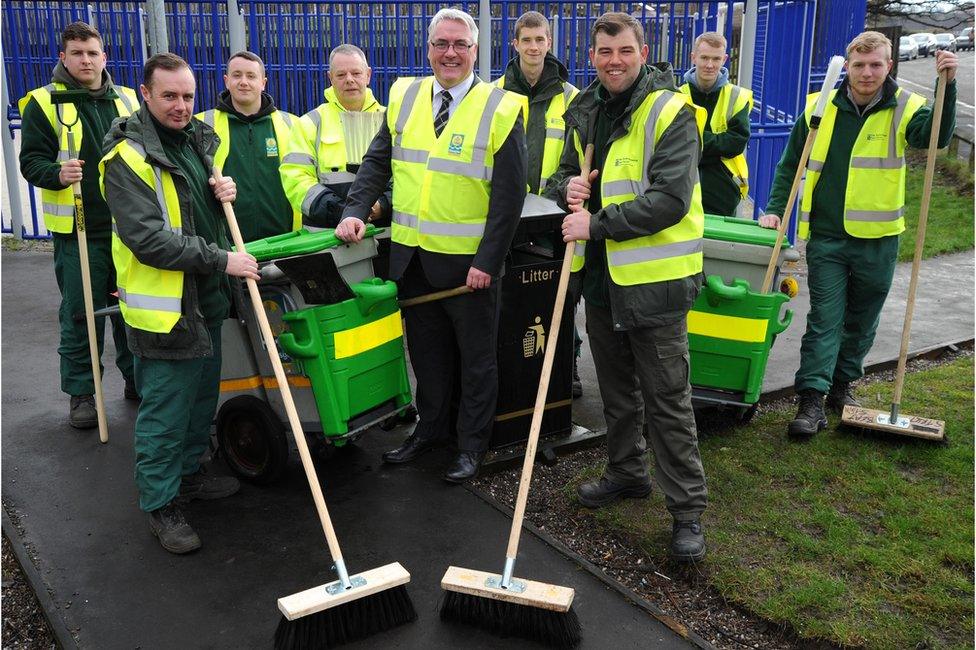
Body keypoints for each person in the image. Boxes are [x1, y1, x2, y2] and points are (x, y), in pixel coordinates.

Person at [335, 8, 526, 483]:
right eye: (441, 44)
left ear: (475, 51)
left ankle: (471, 446)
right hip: (412, 260)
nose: (450, 53)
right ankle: (430, 432)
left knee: (477, 362)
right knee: (428, 357)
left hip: (469, 270)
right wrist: (355, 211)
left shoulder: (500, 107)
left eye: (460, 45)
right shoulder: (405, 96)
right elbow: (377, 162)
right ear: (428, 49)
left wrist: (488, 261)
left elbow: (509, 198)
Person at [544, 12, 708, 562]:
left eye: (624, 51)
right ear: (592, 55)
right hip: (603, 279)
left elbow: (670, 199)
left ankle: (687, 511)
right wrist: (561, 184)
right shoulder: (584, 110)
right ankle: (626, 473)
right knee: (617, 393)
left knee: (666, 400)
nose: (614, 61)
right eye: (604, 52)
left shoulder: (671, 111)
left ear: (643, 53)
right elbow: (559, 176)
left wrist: (598, 223)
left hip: (656, 284)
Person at [758, 32, 957, 438]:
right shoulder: (820, 106)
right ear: (847, 66)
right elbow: (791, 163)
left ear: (889, 67)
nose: (867, 73)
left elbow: (934, 137)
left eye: (876, 65)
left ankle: (843, 387)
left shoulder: (905, 107)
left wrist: (946, 88)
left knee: (862, 321)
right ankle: (811, 399)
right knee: (824, 320)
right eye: (859, 65)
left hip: (880, 240)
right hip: (828, 238)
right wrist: (777, 209)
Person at [101, 53, 261, 554]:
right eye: (168, 95)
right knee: (164, 416)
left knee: (198, 406)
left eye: (188, 96)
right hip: (164, 314)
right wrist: (222, 261)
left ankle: (190, 477)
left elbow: (194, 214)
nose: (180, 105)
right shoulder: (127, 159)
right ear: (145, 95)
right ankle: (161, 505)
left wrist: (221, 195)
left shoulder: (195, 142)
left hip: (204, 306)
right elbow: (149, 239)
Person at [18, 22, 140, 429]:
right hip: (78, 231)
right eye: (77, 53)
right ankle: (82, 395)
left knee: (131, 309)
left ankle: (135, 381)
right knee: (81, 315)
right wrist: (57, 173)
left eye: (92, 52)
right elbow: (31, 161)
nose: (86, 60)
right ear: (63, 58)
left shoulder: (125, 100)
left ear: (104, 57)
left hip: (128, 229)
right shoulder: (43, 102)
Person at [495, 10, 587, 398]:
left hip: (557, 218)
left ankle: (568, 364)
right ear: (514, 44)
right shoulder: (494, 92)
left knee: (563, 300)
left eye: (541, 40)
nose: (534, 47)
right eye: (526, 40)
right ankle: (516, 374)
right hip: (508, 219)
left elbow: (578, 159)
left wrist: (549, 203)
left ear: (550, 43)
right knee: (512, 302)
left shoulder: (571, 97)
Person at [279, 44, 390, 232]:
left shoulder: (391, 120)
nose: (349, 80)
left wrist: (384, 205)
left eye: (356, 73)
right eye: (340, 75)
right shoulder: (310, 123)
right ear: (330, 78)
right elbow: (296, 180)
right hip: (327, 238)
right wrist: (344, 213)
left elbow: (407, 174)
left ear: (368, 75)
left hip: (383, 233)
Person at [195, 51, 300, 243]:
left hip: (286, 242)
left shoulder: (292, 124)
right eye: (237, 75)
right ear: (226, 80)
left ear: (263, 82)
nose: (244, 81)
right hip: (227, 247)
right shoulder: (202, 125)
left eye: (251, 76)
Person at [678, 31, 752, 217]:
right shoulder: (677, 94)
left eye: (716, 59)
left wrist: (695, 141)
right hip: (680, 185)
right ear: (693, 58)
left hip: (723, 189)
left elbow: (735, 143)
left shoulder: (737, 96)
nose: (710, 65)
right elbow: (674, 140)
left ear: (725, 59)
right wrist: (716, 145)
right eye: (704, 58)